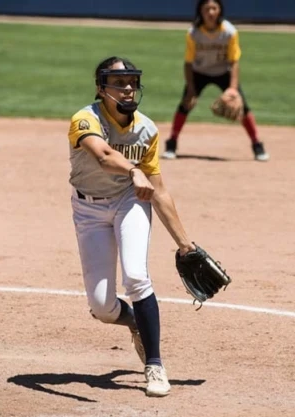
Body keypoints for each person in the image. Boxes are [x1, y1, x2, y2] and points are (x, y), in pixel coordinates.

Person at [66, 56, 198, 398]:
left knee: (136, 276)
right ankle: (136, 322)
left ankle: (154, 365)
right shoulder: (85, 119)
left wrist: (186, 244)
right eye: (118, 82)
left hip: (130, 202)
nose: (127, 88)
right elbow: (103, 155)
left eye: (131, 82)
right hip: (88, 209)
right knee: (102, 307)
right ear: (101, 88)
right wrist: (133, 170)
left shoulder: (147, 129)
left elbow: (159, 190)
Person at [162, 0, 270, 162]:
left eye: (214, 8)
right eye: (207, 9)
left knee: (242, 107)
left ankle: (257, 144)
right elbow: (188, 63)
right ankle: (172, 143)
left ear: (220, 10)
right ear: (201, 12)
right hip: (199, 72)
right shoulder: (193, 33)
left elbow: (234, 61)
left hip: (223, 72)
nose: (211, 12)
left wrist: (233, 89)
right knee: (185, 104)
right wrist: (191, 89)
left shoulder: (229, 32)